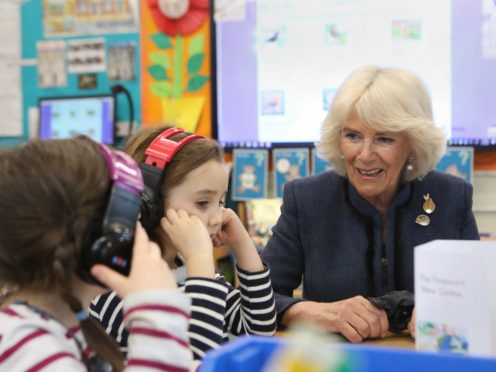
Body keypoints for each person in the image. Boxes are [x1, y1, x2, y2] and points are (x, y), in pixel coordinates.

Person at [261, 65, 479, 343]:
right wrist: (315, 313)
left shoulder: (451, 197)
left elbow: (479, 296)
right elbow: (258, 299)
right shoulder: (306, 199)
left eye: (384, 139)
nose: (364, 155)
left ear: (413, 144)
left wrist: (447, 311)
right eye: (352, 136)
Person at [0, 137, 192, 371]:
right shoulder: (28, 348)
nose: (139, 234)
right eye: (132, 222)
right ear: (104, 239)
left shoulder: (63, 323)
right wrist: (158, 312)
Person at [91, 126, 277, 360]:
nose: (217, 217)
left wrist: (242, 244)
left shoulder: (184, 268)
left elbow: (258, 331)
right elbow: (193, 362)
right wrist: (200, 260)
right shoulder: (121, 284)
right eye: (202, 202)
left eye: (220, 201)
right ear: (149, 204)